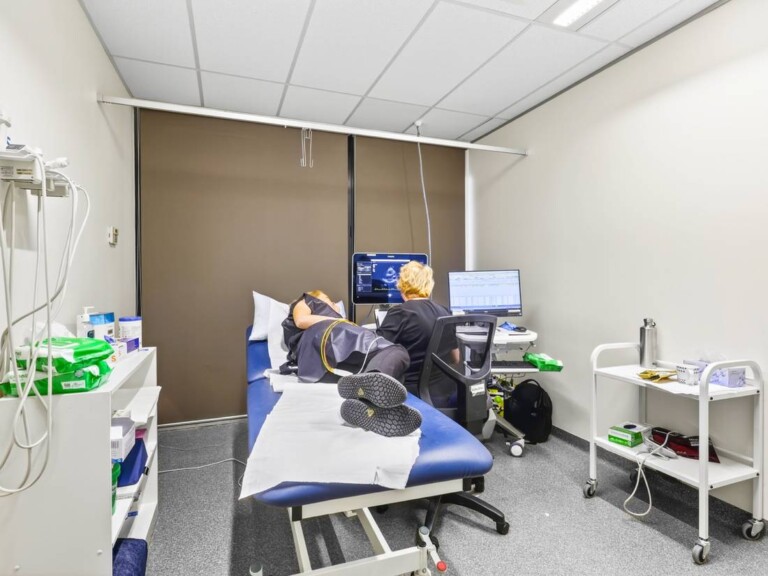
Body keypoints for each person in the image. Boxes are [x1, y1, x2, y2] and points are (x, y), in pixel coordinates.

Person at [281, 290, 421, 436]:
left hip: (325, 361)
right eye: (328, 298)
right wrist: (340, 320)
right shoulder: (307, 300)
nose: (334, 303)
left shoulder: (327, 324)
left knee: (381, 366)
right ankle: (372, 383)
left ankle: (368, 408)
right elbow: (301, 320)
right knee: (397, 352)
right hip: (331, 341)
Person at [376, 262, 458, 394]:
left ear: (402, 285)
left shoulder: (399, 313)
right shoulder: (445, 312)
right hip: (443, 392)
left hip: (408, 391)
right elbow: (455, 358)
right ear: (429, 285)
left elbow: (377, 353)